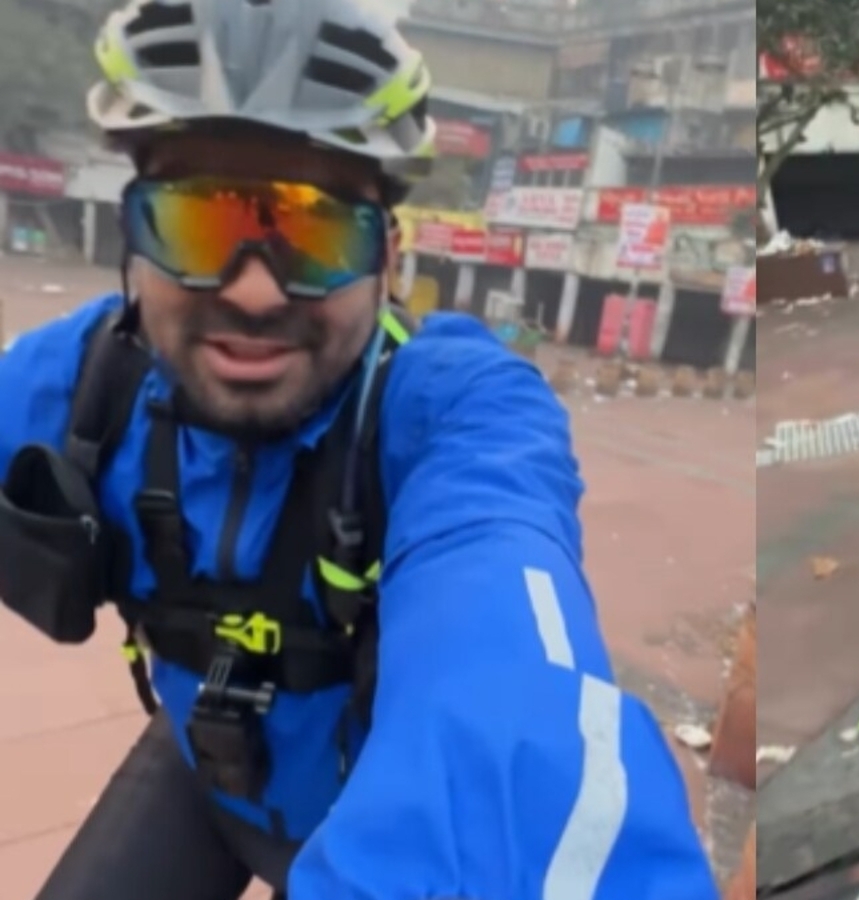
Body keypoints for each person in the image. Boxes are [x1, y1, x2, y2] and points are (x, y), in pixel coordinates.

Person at [0, 0, 717, 897]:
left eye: (317, 231)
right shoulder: (85, 377)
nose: (256, 292)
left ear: (388, 259)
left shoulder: (451, 410)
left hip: (366, 800)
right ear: (132, 242)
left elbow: (509, 733)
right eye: (198, 225)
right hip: (202, 767)